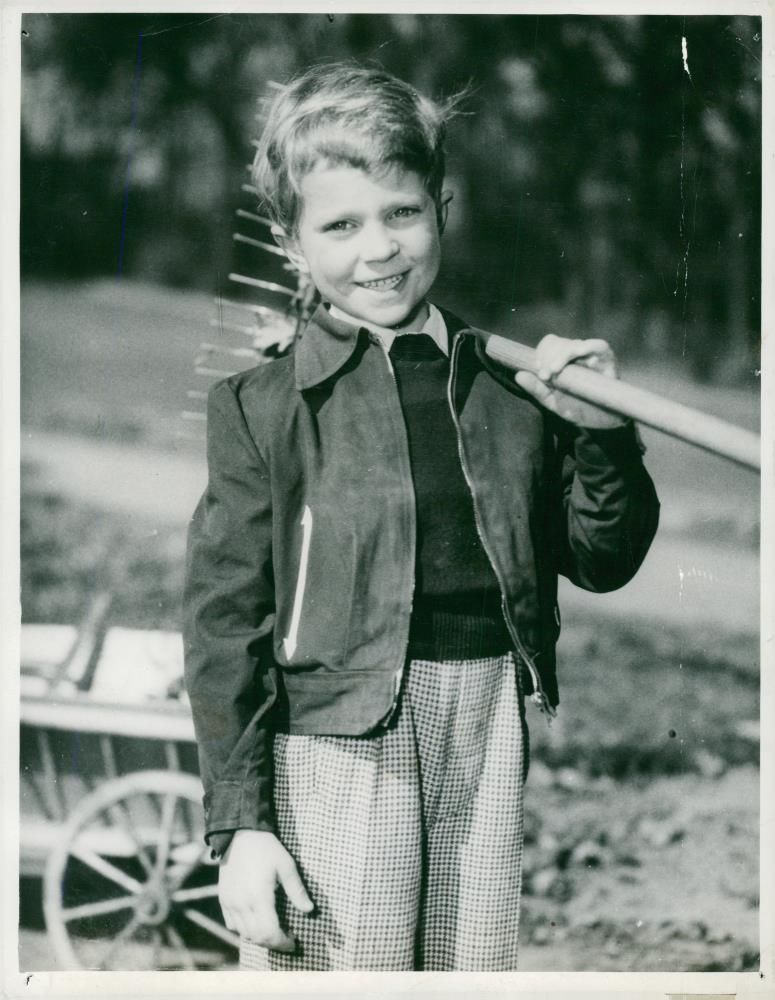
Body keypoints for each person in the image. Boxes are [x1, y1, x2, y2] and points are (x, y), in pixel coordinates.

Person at [183, 61, 660, 972]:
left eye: (401, 213)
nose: (378, 250)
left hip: (483, 721)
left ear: (442, 204)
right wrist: (239, 822)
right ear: (292, 241)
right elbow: (221, 622)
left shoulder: (510, 386)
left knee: (466, 970)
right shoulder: (262, 405)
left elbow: (601, 558)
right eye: (340, 225)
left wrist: (602, 436)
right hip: (334, 738)